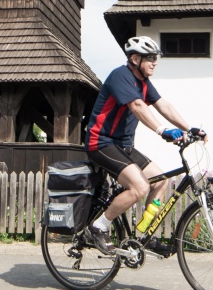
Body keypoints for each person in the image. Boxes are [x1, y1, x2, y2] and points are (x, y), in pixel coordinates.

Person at [84, 36, 205, 255]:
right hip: (100, 143)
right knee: (140, 187)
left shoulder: (143, 84)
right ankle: (98, 226)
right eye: (150, 58)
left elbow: (163, 105)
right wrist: (162, 130)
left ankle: (146, 236)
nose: (154, 62)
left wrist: (190, 128)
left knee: (160, 182)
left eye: (155, 58)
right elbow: (137, 106)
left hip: (123, 147)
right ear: (134, 58)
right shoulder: (120, 76)